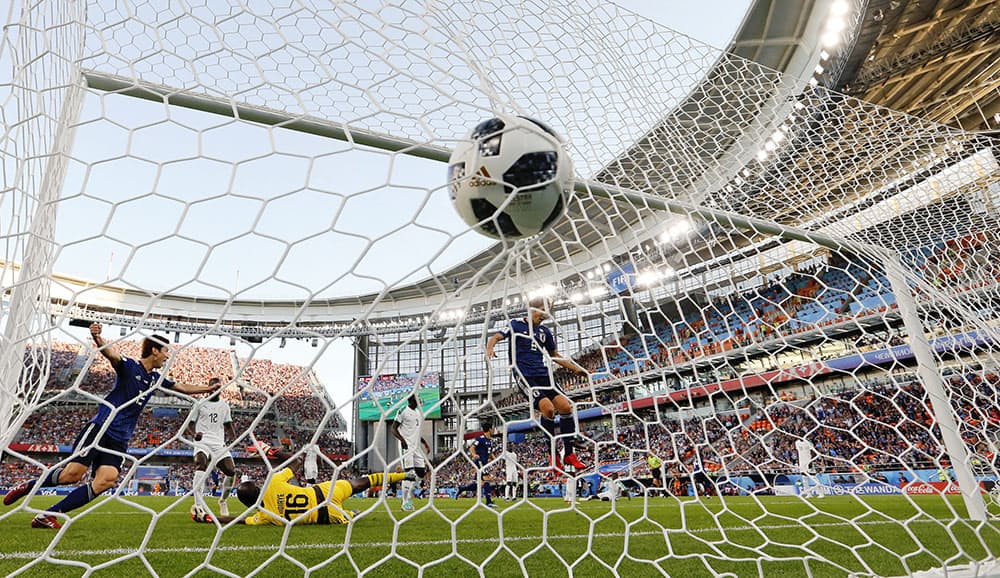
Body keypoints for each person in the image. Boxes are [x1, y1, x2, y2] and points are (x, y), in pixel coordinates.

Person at [3, 323, 219, 529]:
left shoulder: (155, 378)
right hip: (101, 427)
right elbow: (112, 355)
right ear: (154, 350)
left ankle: (48, 515)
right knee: (72, 475)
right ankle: (27, 486)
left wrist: (207, 389)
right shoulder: (130, 367)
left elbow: (181, 387)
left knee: (106, 480)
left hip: (119, 439)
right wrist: (98, 338)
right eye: (165, 351)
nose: (167, 356)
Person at [485, 296, 589, 472]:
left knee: (566, 407)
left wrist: (576, 369)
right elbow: (497, 336)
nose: (546, 314)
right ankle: (552, 455)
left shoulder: (545, 332)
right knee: (548, 409)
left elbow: (554, 355)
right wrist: (490, 347)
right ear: (533, 309)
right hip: (525, 375)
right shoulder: (516, 324)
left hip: (543, 374)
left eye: (548, 311)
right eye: (543, 310)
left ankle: (569, 454)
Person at [196, 454, 416, 526]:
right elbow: (296, 464)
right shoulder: (273, 482)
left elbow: (237, 520)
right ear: (258, 487)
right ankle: (403, 475)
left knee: (352, 516)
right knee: (363, 482)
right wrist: (287, 455)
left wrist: (208, 518)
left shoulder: (263, 517)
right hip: (324, 492)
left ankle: (351, 514)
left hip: (325, 515)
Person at [184, 377, 239, 516]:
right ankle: (198, 506)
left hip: (219, 443)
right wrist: (194, 434)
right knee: (200, 464)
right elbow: (188, 425)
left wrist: (235, 440)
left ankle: (223, 501)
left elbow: (228, 426)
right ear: (208, 388)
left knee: (231, 471)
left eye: (218, 387)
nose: (215, 389)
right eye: (213, 387)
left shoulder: (225, 406)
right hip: (202, 441)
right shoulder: (200, 403)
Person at [391, 395, 431, 511]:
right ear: (411, 400)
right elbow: (393, 428)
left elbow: (415, 432)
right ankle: (404, 502)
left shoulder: (418, 412)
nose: (419, 400)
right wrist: (402, 440)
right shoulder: (403, 411)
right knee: (409, 473)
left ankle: (409, 494)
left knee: (421, 473)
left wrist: (424, 443)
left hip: (416, 447)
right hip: (407, 446)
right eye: (417, 399)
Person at [455, 420, 496, 508]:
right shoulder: (480, 439)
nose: (493, 430)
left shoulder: (490, 441)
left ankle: (462, 489)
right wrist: (474, 455)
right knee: (486, 479)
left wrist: (494, 459)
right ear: (489, 429)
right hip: (480, 461)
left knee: (479, 484)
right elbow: (472, 448)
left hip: (485, 463)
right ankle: (488, 501)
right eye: (493, 428)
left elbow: (490, 453)